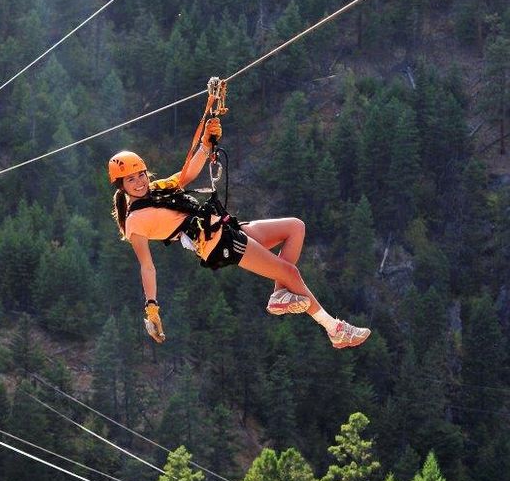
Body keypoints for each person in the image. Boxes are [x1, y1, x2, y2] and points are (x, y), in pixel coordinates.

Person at [108, 115, 370, 349]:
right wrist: (151, 306)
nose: (140, 182)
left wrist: (206, 145)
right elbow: (147, 266)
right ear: (121, 186)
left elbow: (186, 175)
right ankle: (333, 328)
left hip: (225, 228)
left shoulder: (157, 190)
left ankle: (280, 294)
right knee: (289, 272)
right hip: (217, 242)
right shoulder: (135, 222)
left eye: (141, 175)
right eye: (131, 179)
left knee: (294, 227)